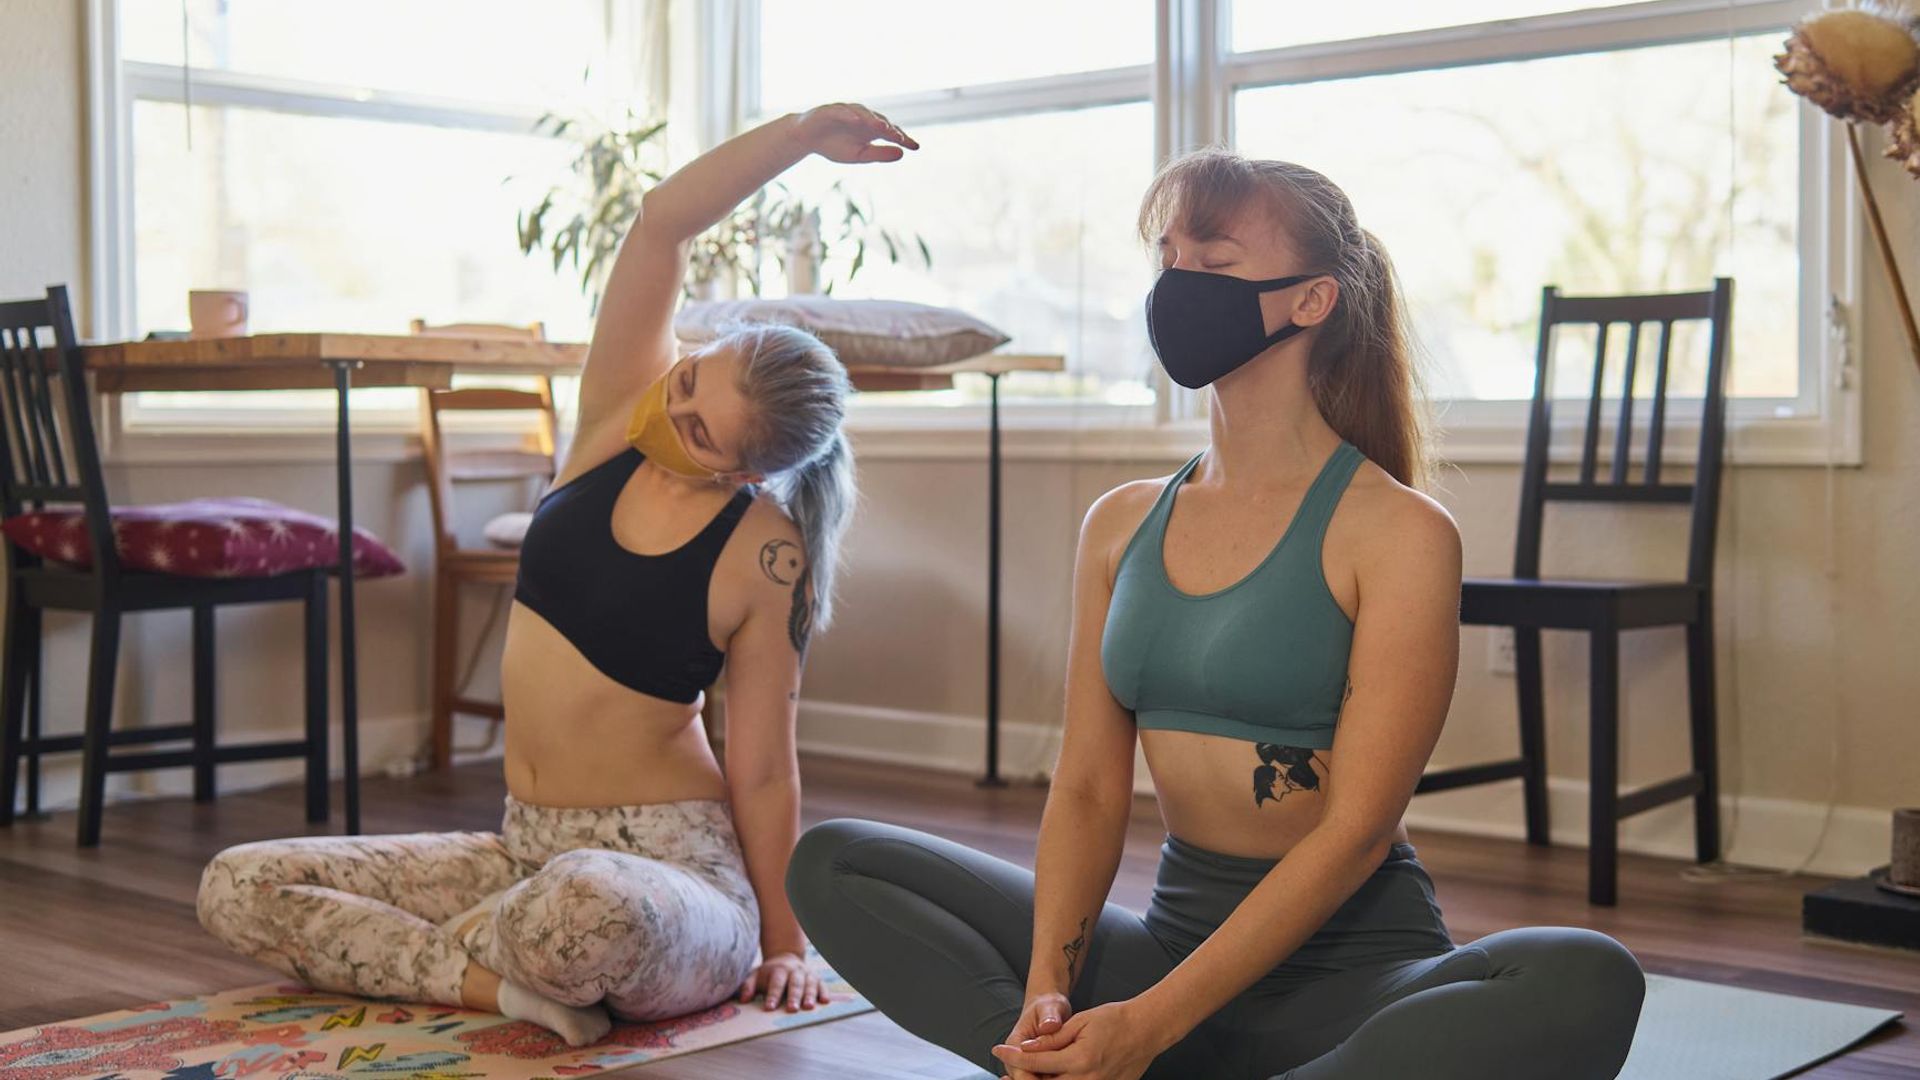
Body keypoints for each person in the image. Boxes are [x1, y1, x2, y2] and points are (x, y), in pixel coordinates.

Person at [787, 149, 1645, 1080]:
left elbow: (1356, 833)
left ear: (1311, 300)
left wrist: (1150, 1026)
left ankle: (1146, 1062)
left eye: (1217, 262)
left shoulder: (1398, 532)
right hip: (1170, 955)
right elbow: (1084, 789)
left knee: (1585, 975)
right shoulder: (1119, 524)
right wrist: (1051, 995)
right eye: (1171, 260)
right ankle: (1054, 1064)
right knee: (837, 864)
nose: (1181, 284)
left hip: (1350, 986)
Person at [197, 103, 918, 1046]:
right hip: (519, 847)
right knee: (240, 882)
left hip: (668, 874)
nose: (677, 403)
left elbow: (763, 763)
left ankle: (467, 959)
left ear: (747, 470)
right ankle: (494, 983)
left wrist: (785, 944)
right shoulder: (617, 416)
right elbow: (662, 221)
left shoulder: (766, 550)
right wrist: (796, 138)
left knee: (587, 912)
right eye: (692, 374)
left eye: (700, 427)